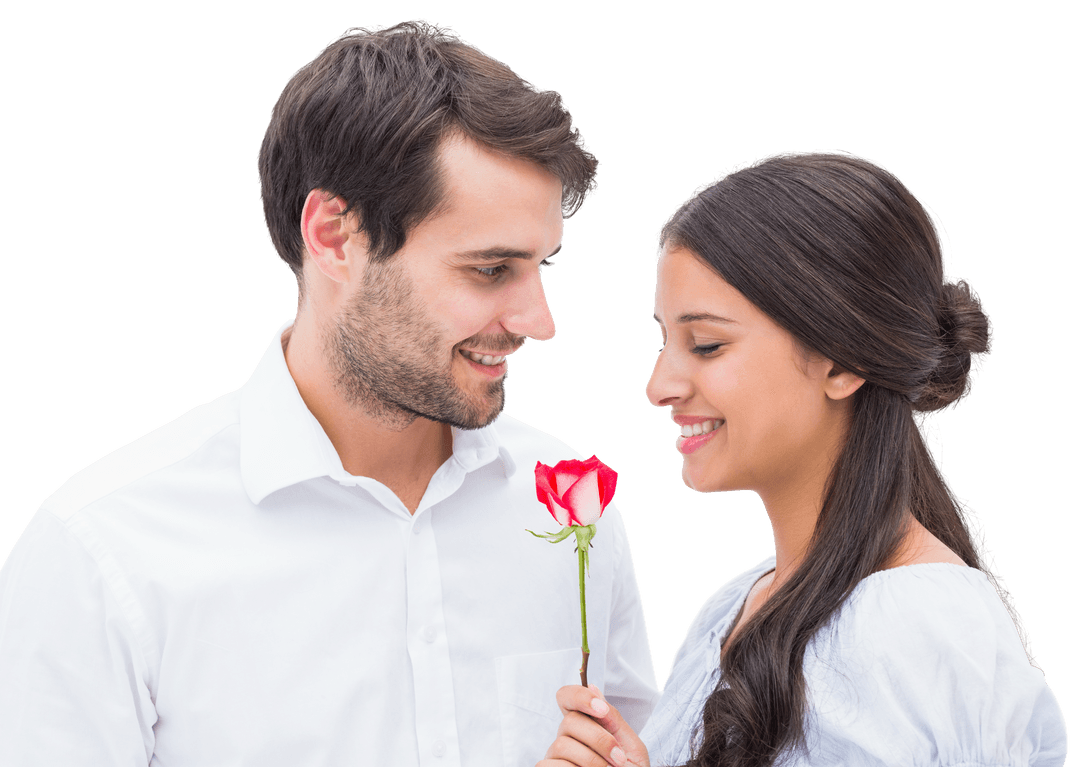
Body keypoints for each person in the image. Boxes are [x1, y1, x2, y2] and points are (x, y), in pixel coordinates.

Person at [0, 20, 658, 766]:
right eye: (489, 269)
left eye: (544, 266)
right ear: (335, 236)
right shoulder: (102, 555)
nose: (539, 322)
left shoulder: (570, 508)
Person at [540, 151, 1068, 766]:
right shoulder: (738, 606)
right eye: (665, 339)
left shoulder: (914, 631)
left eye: (706, 345)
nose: (660, 385)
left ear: (842, 362)